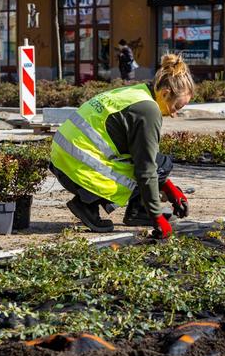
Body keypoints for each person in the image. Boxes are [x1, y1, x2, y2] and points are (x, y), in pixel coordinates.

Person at [50, 54, 194, 239]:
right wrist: (158, 217)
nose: (174, 114)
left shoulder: (138, 92)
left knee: (161, 163)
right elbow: (146, 169)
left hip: (63, 159)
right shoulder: (148, 111)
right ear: (165, 94)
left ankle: (138, 212)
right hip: (77, 167)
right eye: (177, 107)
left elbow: (144, 157)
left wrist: (169, 188)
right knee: (155, 167)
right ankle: (87, 204)